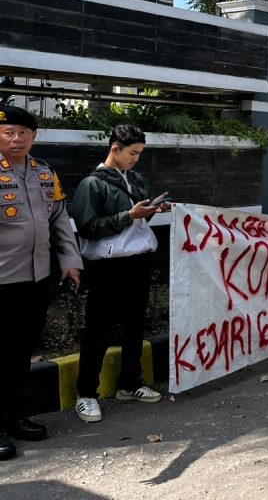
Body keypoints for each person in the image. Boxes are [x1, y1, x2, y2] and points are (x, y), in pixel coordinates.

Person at [70, 124, 170, 423]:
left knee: (134, 326)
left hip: (138, 260)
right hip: (107, 266)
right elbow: (88, 227)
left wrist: (151, 211)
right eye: (132, 153)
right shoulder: (93, 184)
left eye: (139, 153)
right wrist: (128, 215)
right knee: (98, 330)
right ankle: (86, 394)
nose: (136, 159)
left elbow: (136, 222)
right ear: (115, 148)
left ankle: (131, 382)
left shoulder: (136, 180)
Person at [0, 105, 82, 459]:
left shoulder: (45, 174)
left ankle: (13, 418)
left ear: (34, 137)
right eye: (9, 132)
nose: (17, 139)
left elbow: (61, 221)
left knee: (19, 355)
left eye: (24, 133)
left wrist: (71, 262)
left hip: (35, 281)